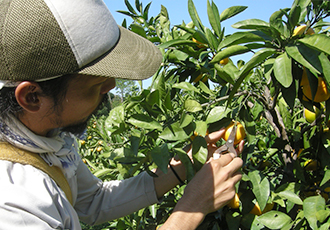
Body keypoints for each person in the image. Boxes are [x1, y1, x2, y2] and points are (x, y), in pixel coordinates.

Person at [0, 0, 244, 229]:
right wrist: (190, 210)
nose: (112, 86)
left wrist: (184, 166)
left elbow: (93, 200)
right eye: (95, 84)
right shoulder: (13, 204)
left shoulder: (43, 138)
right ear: (32, 97)